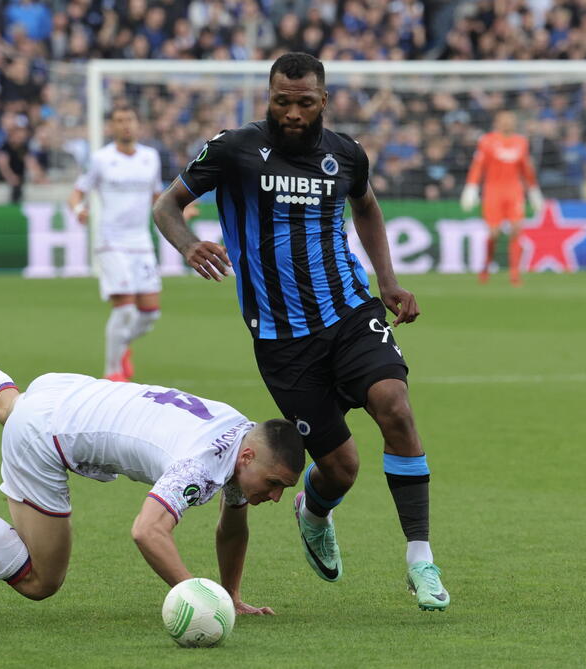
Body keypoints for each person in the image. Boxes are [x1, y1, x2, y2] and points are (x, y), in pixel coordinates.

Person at [152, 52, 449, 611]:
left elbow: (367, 208)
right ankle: (313, 512)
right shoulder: (234, 149)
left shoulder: (346, 154)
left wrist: (386, 282)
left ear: (324, 101)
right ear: (269, 97)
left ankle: (421, 560)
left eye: (304, 102)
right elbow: (167, 205)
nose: (292, 112)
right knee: (341, 468)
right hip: (283, 341)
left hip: (349, 313)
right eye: (282, 101)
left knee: (397, 406)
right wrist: (189, 244)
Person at [0, 328, 303, 612]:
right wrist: (198, 598)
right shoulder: (200, 463)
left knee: (11, 405)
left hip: (69, 391)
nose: (276, 496)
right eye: (274, 484)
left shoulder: (240, 430)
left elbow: (232, 527)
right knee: (41, 581)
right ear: (248, 459)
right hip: (46, 436)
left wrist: (231, 595)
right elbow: (147, 531)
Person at [67, 104, 197, 382]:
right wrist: (79, 211)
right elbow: (77, 194)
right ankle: (112, 372)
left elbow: (157, 198)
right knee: (124, 308)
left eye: (130, 119)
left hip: (142, 242)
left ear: (138, 125)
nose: (125, 125)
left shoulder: (150, 157)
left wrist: (182, 210)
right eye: (119, 120)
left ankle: (121, 346)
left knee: (150, 314)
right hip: (111, 241)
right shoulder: (101, 159)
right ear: (112, 127)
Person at [460, 110, 544, 285]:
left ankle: (515, 274)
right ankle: (485, 266)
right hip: (493, 191)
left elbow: (526, 170)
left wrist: (534, 191)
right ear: (497, 122)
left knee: (516, 230)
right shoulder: (487, 141)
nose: (507, 123)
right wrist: (471, 187)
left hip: (514, 191)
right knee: (494, 233)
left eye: (510, 120)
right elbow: (478, 166)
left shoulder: (521, 142)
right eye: (504, 120)